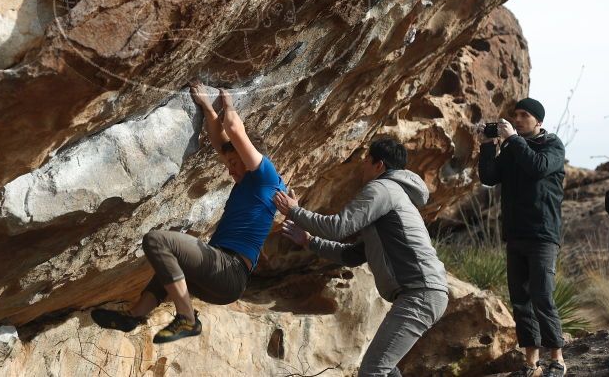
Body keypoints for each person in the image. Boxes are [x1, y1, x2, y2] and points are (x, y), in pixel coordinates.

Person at [91, 81, 287, 343]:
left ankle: (186, 318)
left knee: (158, 241)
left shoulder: (266, 175)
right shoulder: (249, 183)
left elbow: (233, 130)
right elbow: (221, 142)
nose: (230, 170)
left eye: (234, 163)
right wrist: (207, 107)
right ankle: (134, 315)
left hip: (229, 270)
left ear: (249, 156)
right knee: (171, 263)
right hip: (220, 281)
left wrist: (228, 103)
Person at [274, 138, 449, 377]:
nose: (362, 166)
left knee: (373, 370)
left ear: (380, 165)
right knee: (386, 369)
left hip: (420, 293)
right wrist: (308, 241)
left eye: (367, 160)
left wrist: (294, 209)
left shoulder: (382, 189)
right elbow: (352, 255)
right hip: (425, 292)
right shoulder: (393, 196)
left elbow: (338, 227)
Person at [478, 97, 567, 377]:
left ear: (538, 121)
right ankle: (532, 364)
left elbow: (538, 167)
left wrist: (513, 140)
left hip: (542, 234)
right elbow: (490, 177)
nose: (517, 119)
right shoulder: (512, 148)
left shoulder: (552, 145)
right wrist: (486, 146)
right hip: (515, 235)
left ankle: (557, 360)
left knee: (542, 296)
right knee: (521, 300)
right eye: (515, 114)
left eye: (524, 115)